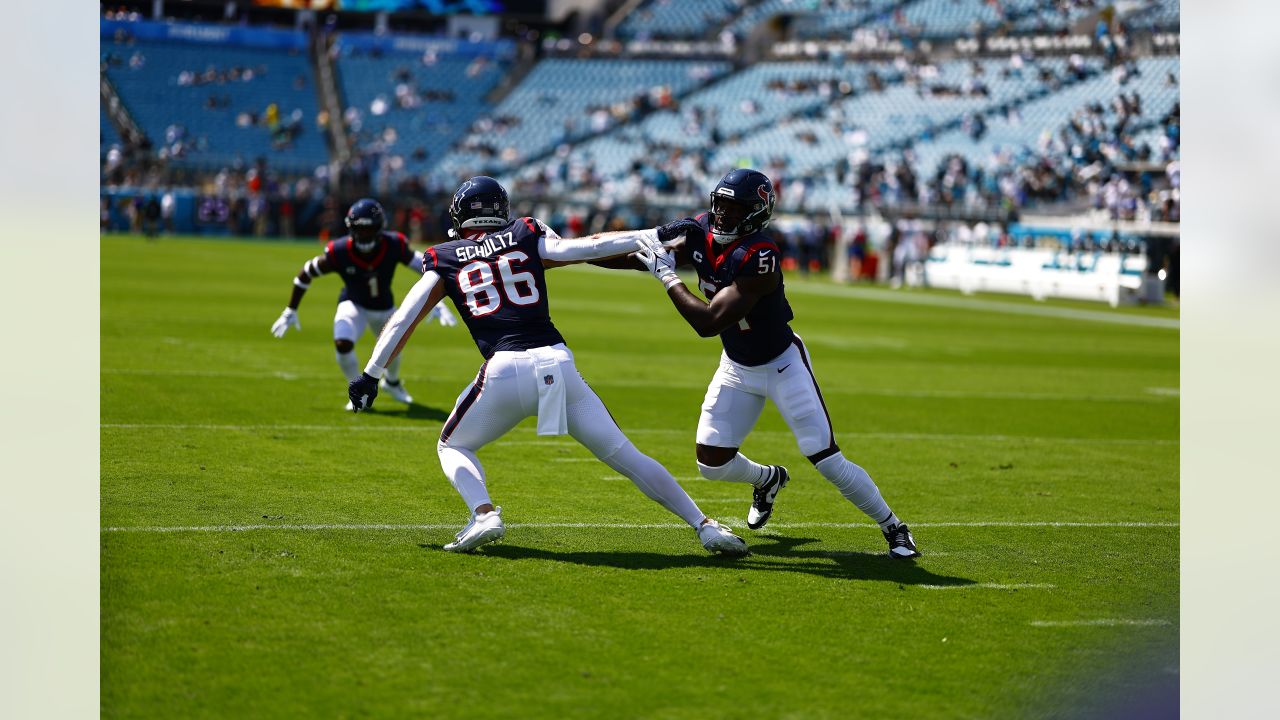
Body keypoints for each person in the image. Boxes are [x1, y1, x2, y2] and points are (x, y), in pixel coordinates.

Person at [346, 176, 748, 556]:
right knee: (626, 455)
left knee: (452, 445)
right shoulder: (525, 232)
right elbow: (586, 247)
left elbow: (404, 318)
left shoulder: (444, 257)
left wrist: (371, 374)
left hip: (503, 368)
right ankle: (704, 524)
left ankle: (484, 514)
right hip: (558, 363)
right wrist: (656, 234)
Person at [599, 168, 920, 559]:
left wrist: (667, 277)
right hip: (736, 364)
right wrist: (569, 256)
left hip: (782, 364)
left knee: (826, 458)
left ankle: (894, 527)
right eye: (720, 204)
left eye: (734, 209)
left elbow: (710, 322)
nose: (722, 215)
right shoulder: (700, 231)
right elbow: (637, 255)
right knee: (711, 463)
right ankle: (768, 479)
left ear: (756, 213)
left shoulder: (760, 254)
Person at [270, 198, 457, 409]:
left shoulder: (393, 244)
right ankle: (357, 392)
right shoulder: (339, 250)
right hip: (354, 304)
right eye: (359, 229)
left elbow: (426, 267)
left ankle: (393, 383)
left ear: (379, 228)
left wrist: (437, 299)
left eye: (369, 229)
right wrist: (290, 309)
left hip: (384, 307)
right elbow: (306, 273)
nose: (364, 234)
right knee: (342, 342)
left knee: (391, 346)